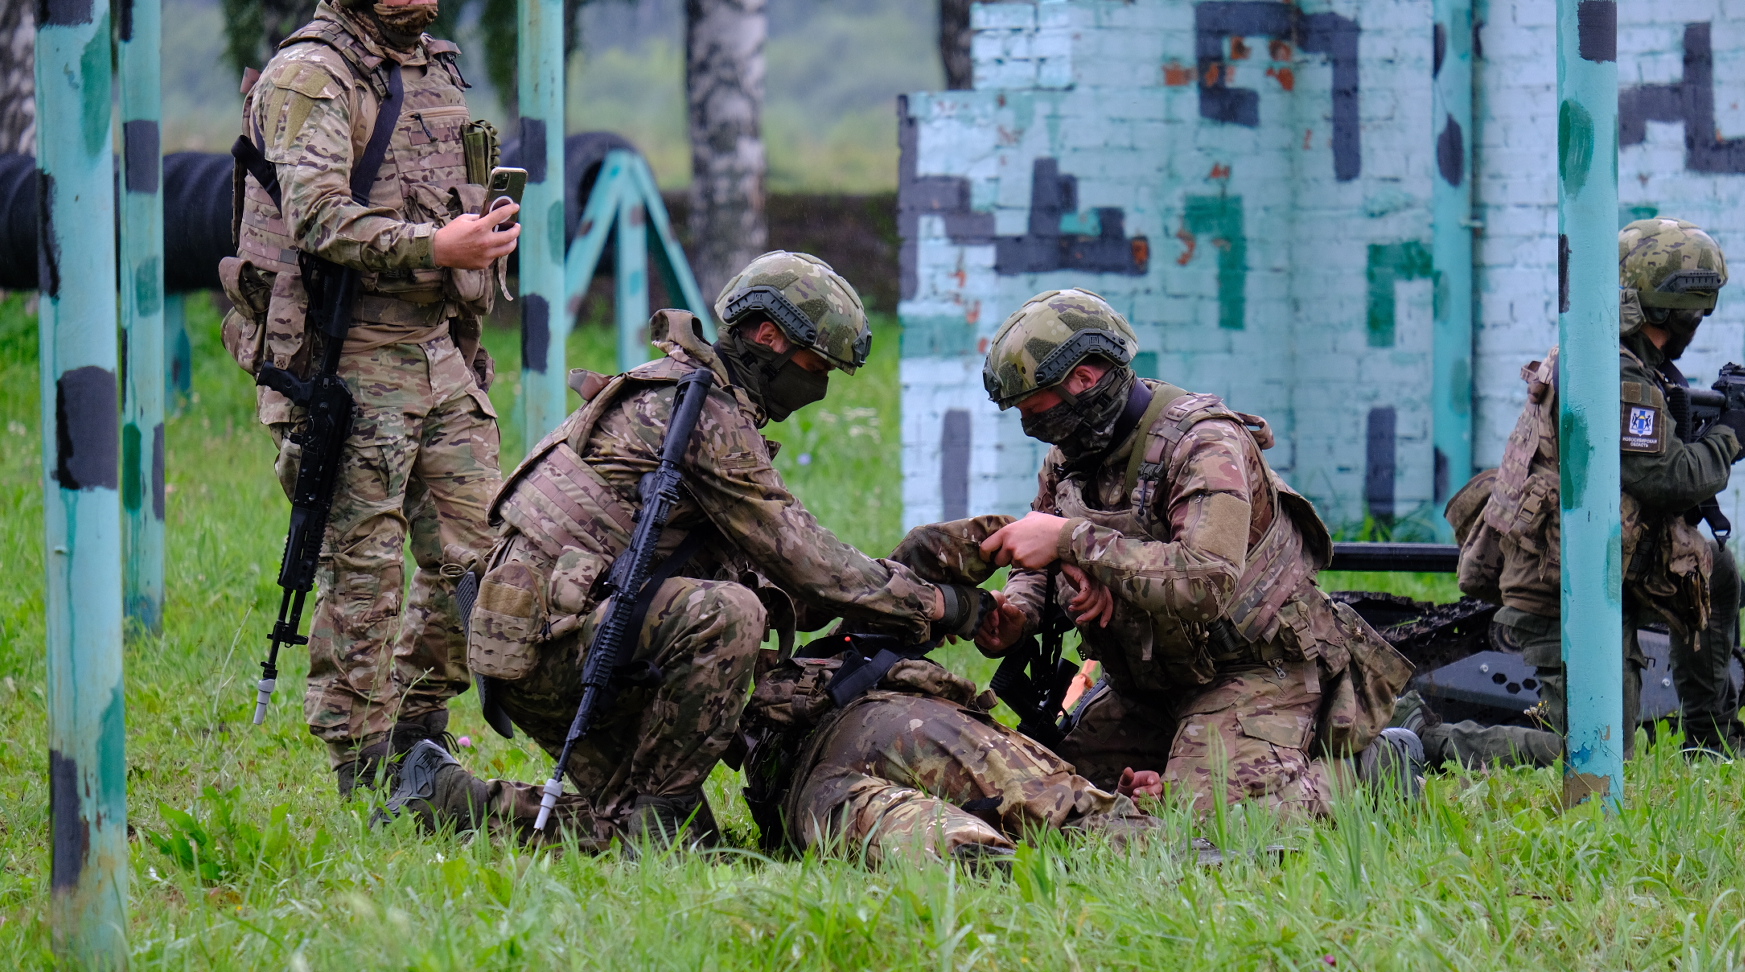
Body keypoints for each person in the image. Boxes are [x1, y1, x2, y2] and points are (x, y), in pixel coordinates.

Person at [453, 253, 989, 847]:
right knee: (730, 615)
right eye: (816, 363)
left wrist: (891, 587)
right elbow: (804, 558)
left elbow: (775, 574)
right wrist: (941, 607)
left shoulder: (672, 389)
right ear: (769, 337)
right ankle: (658, 811)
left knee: (681, 845)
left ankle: (457, 801)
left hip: (544, 636)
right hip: (564, 648)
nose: (821, 384)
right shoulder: (702, 414)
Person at [383, 516, 1161, 862]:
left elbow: (868, 573)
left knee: (945, 846)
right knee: (1075, 825)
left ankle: (459, 801)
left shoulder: (709, 588)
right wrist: (972, 587)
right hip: (883, 726)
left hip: (799, 788)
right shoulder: (740, 579)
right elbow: (877, 571)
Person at [218, 0, 520, 794]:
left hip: (435, 352)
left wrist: (476, 230)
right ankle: (362, 768)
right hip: (350, 362)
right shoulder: (311, 73)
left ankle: (421, 734)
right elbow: (316, 216)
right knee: (365, 571)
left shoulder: (435, 66)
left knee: (482, 552)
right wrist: (435, 244)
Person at [969, 290, 1418, 816]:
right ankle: (1184, 761)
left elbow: (1205, 581)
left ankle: (1370, 769)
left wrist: (1073, 541)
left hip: (1252, 669)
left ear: (1085, 380)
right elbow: (1042, 559)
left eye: (1033, 407)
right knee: (1054, 796)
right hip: (1148, 683)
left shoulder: (1203, 443)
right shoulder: (1072, 457)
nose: (1029, 423)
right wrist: (1018, 612)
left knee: (1211, 820)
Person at [1442, 217, 1745, 763]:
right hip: (1564, 591)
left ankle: (1712, 738)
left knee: (1717, 573)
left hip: (1599, 566)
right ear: (1679, 310)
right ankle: (1422, 739)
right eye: (1699, 312)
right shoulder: (1618, 376)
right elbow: (1669, 478)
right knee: (1596, 755)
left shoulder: (1613, 358)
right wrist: (1729, 439)